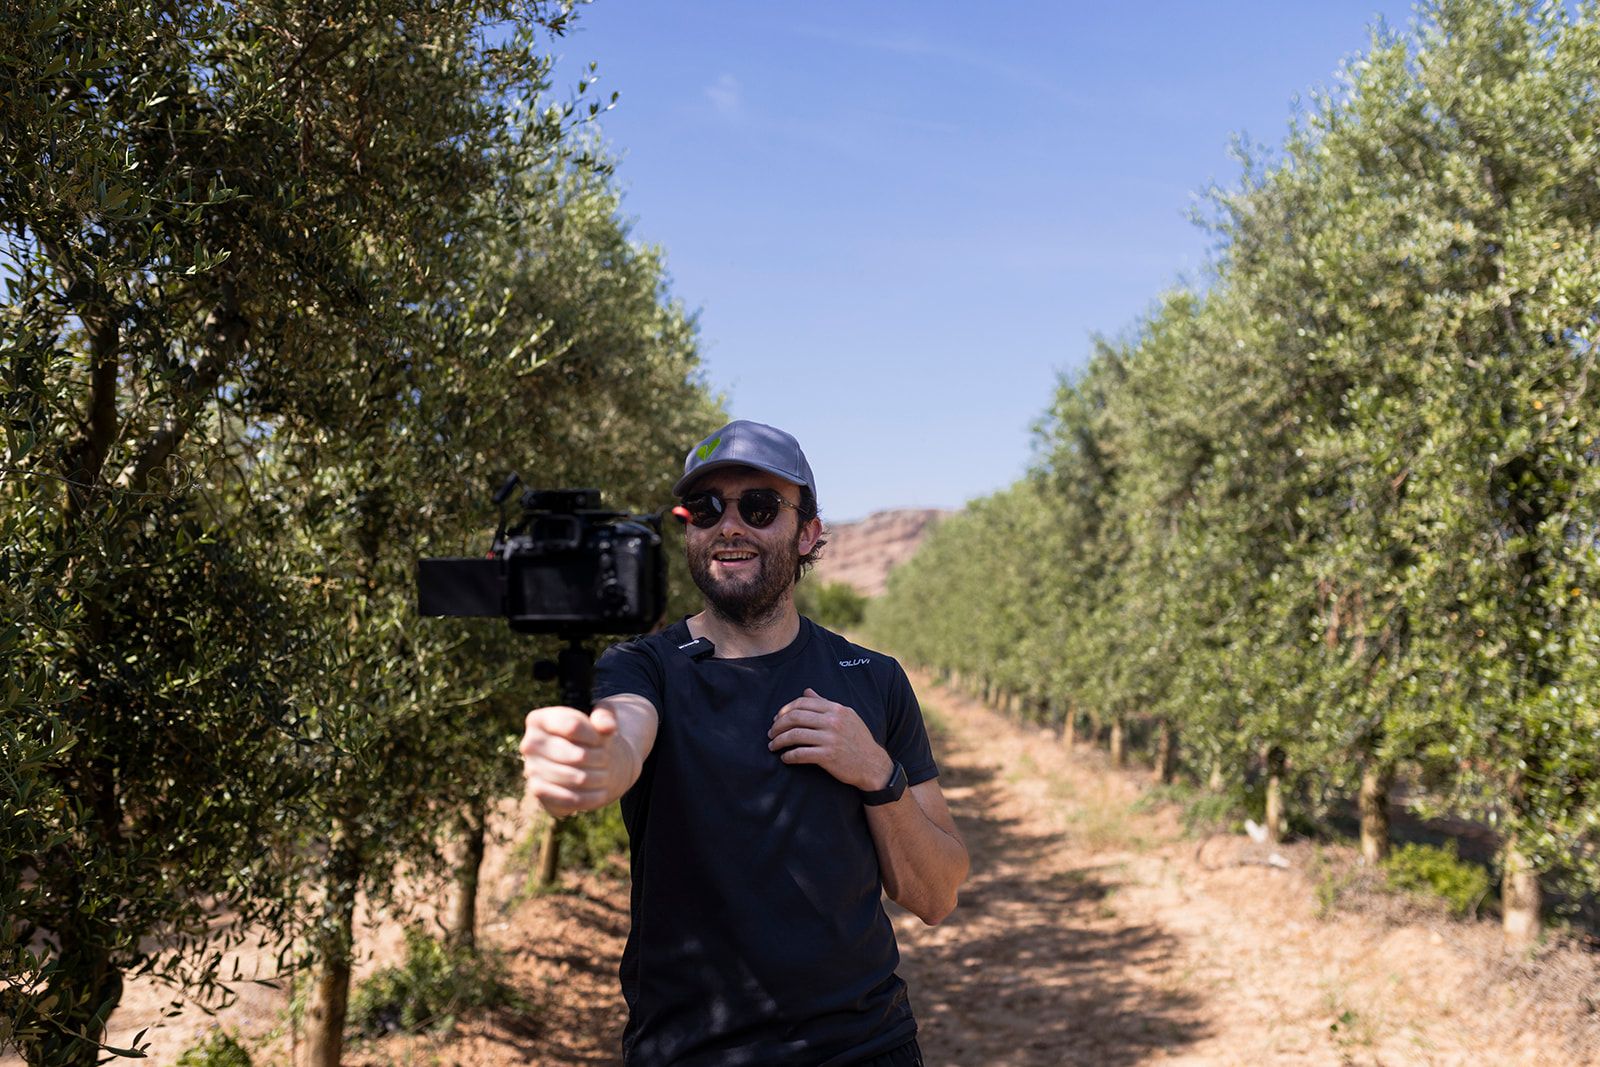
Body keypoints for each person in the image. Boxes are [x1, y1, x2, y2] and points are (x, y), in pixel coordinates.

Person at [519, 419, 969, 1067]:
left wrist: (876, 770)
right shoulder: (644, 668)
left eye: (758, 507)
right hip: (692, 1052)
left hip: (868, 1047)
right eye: (705, 509)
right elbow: (623, 736)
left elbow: (937, 894)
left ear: (807, 532)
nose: (729, 526)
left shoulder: (873, 678)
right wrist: (593, 759)